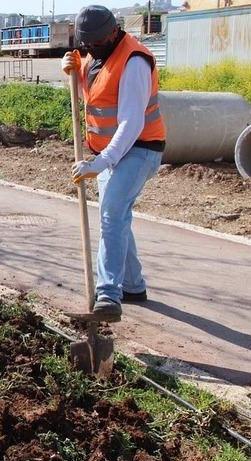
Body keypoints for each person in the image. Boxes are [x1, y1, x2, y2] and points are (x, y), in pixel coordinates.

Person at [61, 5, 166, 317]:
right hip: (109, 152)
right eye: (86, 44)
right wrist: (72, 71)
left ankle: (108, 296)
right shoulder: (95, 57)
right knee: (117, 217)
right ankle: (133, 285)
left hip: (140, 149)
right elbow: (94, 94)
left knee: (110, 216)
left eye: (96, 42)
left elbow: (131, 123)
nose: (91, 48)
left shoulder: (134, 61)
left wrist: (100, 163)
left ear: (113, 32)